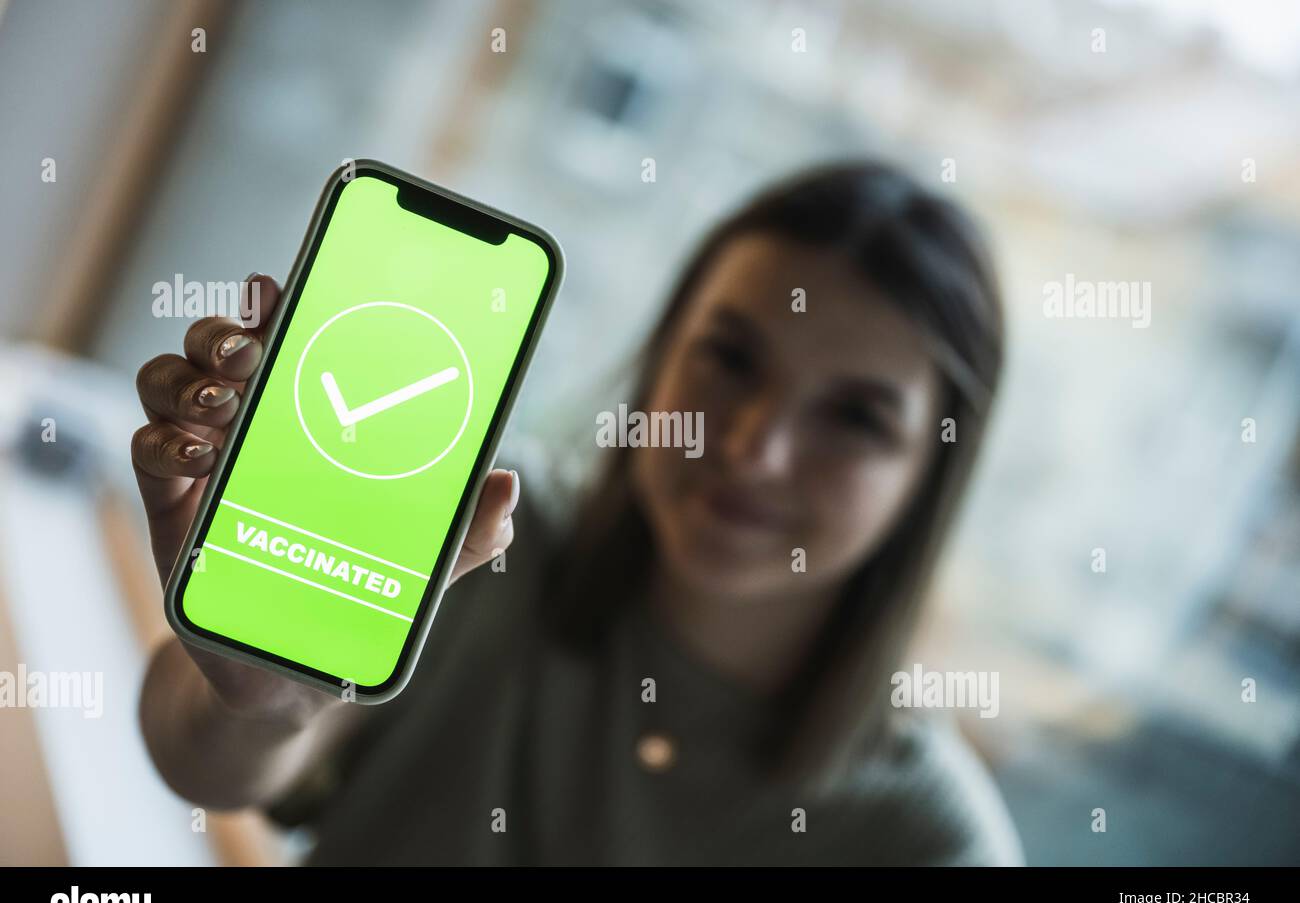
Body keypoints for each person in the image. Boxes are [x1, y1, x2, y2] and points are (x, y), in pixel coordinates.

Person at [132, 161, 1023, 865]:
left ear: (927, 478)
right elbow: (196, 761)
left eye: (855, 417)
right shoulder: (481, 542)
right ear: (660, 358)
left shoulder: (927, 844)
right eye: (731, 359)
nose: (757, 448)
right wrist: (263, 701)